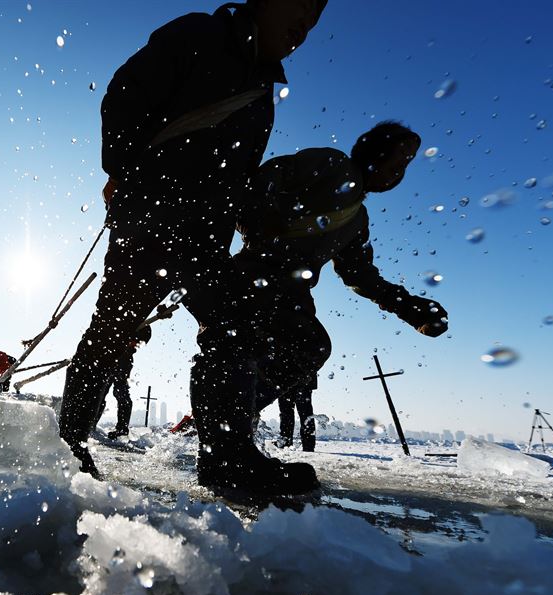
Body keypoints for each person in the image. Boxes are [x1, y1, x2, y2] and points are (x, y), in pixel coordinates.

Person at [59, 0, 327, 495]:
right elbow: (124, 95)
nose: (303, 27)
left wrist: (255, 227)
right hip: (149, 219)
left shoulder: (263, 92)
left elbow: (239, 177)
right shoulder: (199, 35)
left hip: (206, 238)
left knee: (259, 331)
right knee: (114, 329)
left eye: (314, 21)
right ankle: (67, 443)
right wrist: (123, 173)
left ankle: (227, 455)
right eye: (300, 7)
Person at [234, 121, 449, 453]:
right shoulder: (332, 164)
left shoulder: (357, 221)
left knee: (302, 347)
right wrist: (263, 218)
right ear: (375, 155)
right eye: (397, 162)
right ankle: (228, 423)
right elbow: (270, 175)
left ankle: (232, 422)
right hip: (255, 275)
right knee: (280, 346)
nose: (399, 173)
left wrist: (407, 307)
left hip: (291, 292)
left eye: (405, 167)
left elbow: (359, 275)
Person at [101, 324, 152, 440]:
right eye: (135, 343)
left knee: (121, 392)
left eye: (138, 344)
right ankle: (90, 425)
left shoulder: (142, 326)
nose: (136, 346)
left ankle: (122, 428)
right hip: (110, 356)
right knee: (101, 392)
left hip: (122, 360)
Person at [276, 376, 317, 451]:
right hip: (289, 378)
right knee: (289, 412)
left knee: (304, 413)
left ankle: (307, 444)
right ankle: (287, 441)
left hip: (297, 378)